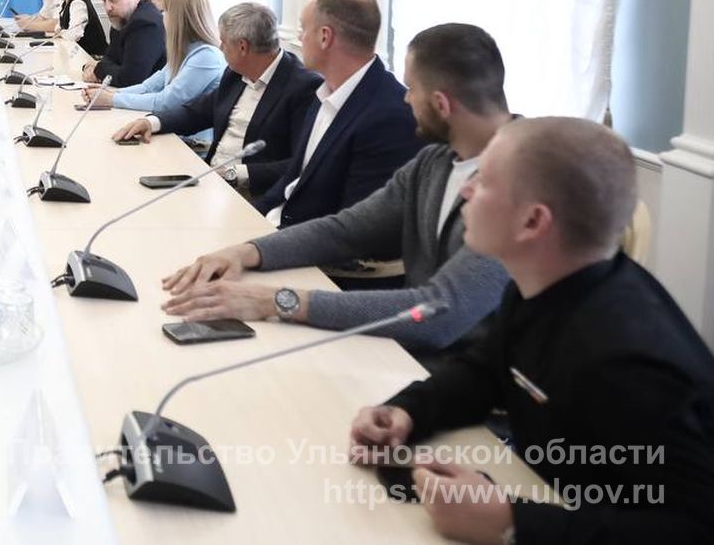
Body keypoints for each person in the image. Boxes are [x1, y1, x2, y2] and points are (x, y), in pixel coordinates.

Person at [350, 118, 714, 542]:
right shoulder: (539, 285)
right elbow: (486, 371)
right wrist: (408, 411)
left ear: (532, 222)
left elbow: (693, 528)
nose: (466, 190)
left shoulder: (630, 362)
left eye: (483, 181)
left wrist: (512, 523)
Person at [159, 23, 514, 354]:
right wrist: (245, 252)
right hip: (413, 356)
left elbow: (441, 313)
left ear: (441, 103)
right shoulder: (434, 161)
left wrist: (277, 301)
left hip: (462, 373)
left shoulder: (520, 181)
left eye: (412, 89)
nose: (406, 100)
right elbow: (347, 229)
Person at [254, 0, 421, 228]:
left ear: (325, 37)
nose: (299, 38)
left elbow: (354, 228)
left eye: (303, 29)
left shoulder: (390, 116)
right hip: (279, 228)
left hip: (309, 243)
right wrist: (246, 220)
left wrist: (261, 244)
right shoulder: (323, 91)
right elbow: (292, 180)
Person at [112, 2, 321, 195]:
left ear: (242, 47)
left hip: (253, 193)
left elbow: (301, 163)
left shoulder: (303, 87)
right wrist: (152, 122)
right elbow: (197, 112)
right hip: (211, 181)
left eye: (224, 42)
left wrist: (235, 174)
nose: (220, 48)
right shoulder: (236, 73)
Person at [82, 0, 223, 123]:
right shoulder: (185, 51)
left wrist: (111, 99)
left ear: (180, 17)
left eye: (166, 11)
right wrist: (109, 93)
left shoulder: (206, 56)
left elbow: (166, 102)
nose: (162, 16)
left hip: (188, 137)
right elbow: (148, 87)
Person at [84, 0, 165, 88]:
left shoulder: (145, 23)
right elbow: (110, 58)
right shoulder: (120, 19)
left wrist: (98, 69)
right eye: (104, 1)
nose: (108, 8)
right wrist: (103, 68)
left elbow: (131, 79)